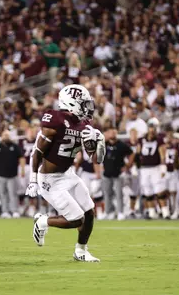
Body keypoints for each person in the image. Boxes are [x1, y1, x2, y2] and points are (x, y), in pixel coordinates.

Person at [25, 84, 105, 262]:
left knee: (90, 212)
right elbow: (36, 152)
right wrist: (33, 180)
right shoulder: (56, 120)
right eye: (83, 103)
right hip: (50, 179)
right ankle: (42, 221)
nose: (87, 108)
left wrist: (99, 145)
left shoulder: (84, 124)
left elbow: (95, 159)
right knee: (77, 219)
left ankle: (81, 251)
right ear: (71, 103)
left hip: (68, 174)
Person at [0, 130, 25, 218]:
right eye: (4, 135)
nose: (6, 137)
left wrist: (22, 169)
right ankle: (5, 211)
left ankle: (14, 211)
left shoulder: (15, 147)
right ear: (1, 137)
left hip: (12, 175)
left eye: (7, 135)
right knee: (3, 194)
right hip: (0, 175)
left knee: (13, 194)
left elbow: (22, 158)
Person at [102, 126, 134, 220]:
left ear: (116, 133)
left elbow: (131, 154)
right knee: (107, 193)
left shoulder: (121, 145)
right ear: (107, 133)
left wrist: (127, 165)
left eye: (114, 132)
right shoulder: (104, 144)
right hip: (106, 172)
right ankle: (109, 212)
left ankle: (120, 212)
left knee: (119, 193)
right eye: (110, 131)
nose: (112, 133)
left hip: (118, 173)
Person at [137, 119, 166, 219]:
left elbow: (162, 154)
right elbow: (137, 154)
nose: (152, 130)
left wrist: (163, 166)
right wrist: (135, 166)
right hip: (144, 169)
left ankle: (165, 212)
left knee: (160, 191)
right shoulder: (141, 140)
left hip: (156, 168)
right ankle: (151, 212)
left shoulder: (159, 140)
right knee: (147, 191)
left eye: (153, 128)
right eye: (150, 127)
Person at [75, 149, 103, 219]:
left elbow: (98, 161)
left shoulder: (98, 148)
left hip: (96, 174)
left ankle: (99, 212)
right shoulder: (82, 149)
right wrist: (76, 169)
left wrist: (99, 172)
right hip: (86, 174)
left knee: (97, 193)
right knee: (87, 193)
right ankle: (89, 212)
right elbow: (79, 160)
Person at [18, 126, 37, 217]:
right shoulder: (21, 141)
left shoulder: (37, 141)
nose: (31, 134)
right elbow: (20, 155)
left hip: (33, 165)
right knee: (21, 187)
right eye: (30, 132)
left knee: (32, 186)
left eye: (33, 132)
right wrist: (21, 168)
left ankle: (31, 207)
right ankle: (21, 206)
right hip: (23, 166)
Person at [162, 127, 179, 219]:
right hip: (165, 171)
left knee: (173, 192)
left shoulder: (176, 147)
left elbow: (178, 160)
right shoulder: (162, 147)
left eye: (170, 136)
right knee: (165, 192)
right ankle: (167, 210)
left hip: (174, 171)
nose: (169, 138)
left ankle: (175, 210)